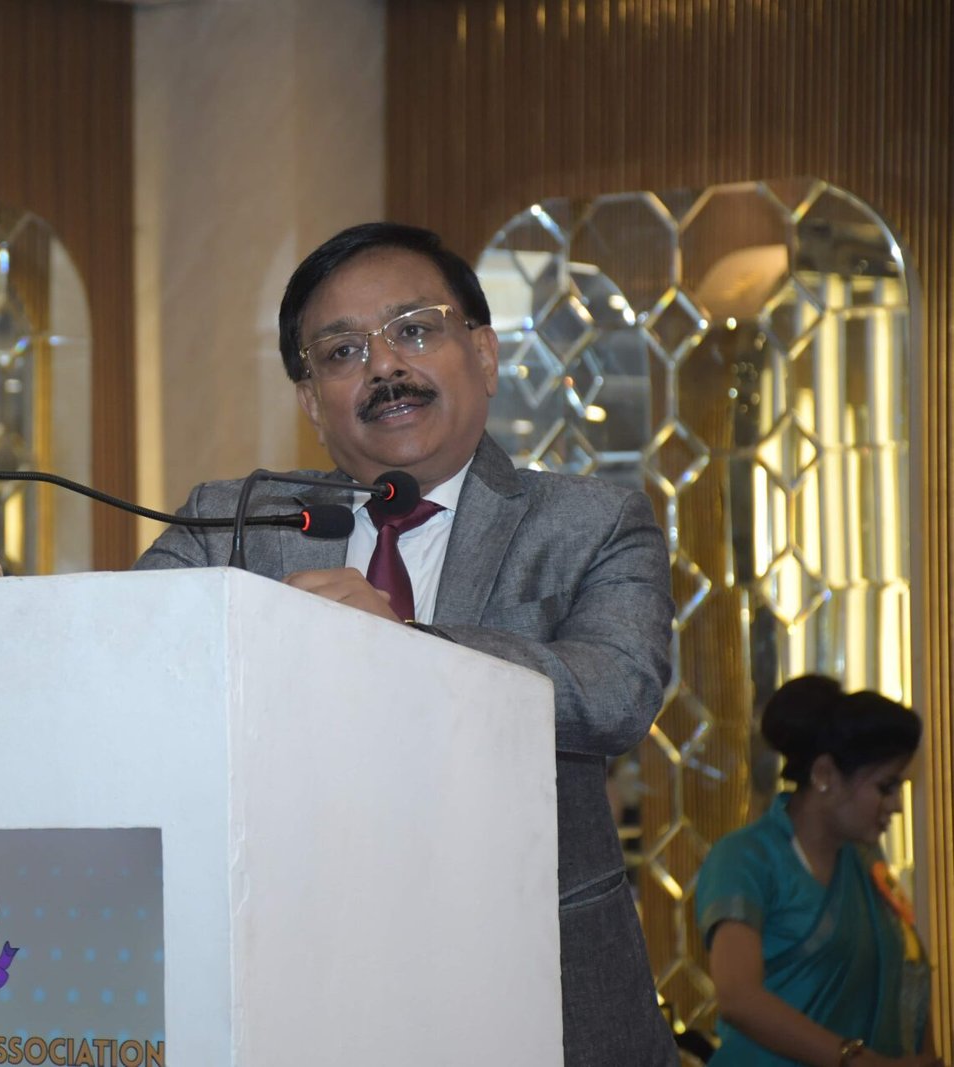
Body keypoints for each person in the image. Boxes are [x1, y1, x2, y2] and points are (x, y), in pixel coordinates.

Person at [135, 222, 678, 1065]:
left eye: (415, 330)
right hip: (291, 981)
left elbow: (616, 692)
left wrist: (402, 647)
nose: (384, 367)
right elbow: (133, 663)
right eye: (342, 352)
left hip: (533, 980)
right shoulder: (234, 522)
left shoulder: (590, 521)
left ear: (485, 355)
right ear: (311, 401)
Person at [696, 677, 938, 1066]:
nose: (896, 805)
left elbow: (906, 976)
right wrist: (859, 1062)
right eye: (885, 787)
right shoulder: (745, 857)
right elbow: (738, 997)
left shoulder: (864, 863)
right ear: (824, 774)